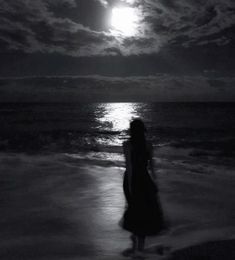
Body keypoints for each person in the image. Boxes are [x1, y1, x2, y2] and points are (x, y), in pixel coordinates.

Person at [121, 119, 166, 257]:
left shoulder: (128, 145)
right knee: (142, 212)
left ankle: (139, 246)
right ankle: (139, 245)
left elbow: (131, 167)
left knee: (140, 212)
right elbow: (151, 167)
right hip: (142, 180)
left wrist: (130, 187)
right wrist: (154, 182)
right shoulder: (146, 145)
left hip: (136, 180)